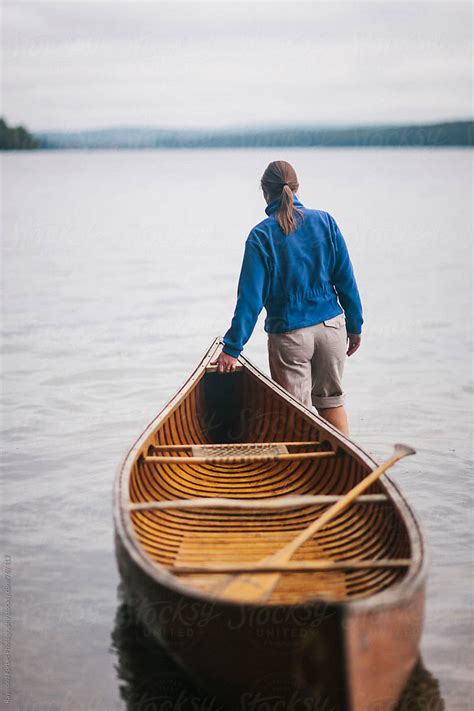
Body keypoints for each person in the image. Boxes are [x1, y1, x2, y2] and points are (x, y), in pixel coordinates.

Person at [211, 160, 363, 436]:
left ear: (264, 192)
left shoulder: (261, 236)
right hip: (332, 328)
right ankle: (346, 469)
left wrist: (232, 348)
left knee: (296, 413)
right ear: (297, 187)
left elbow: (250, 300)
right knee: (332, 402)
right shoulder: (325, 221)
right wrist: (355, 325)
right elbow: (346, 279)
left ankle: (305, 476)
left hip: (291, 336)